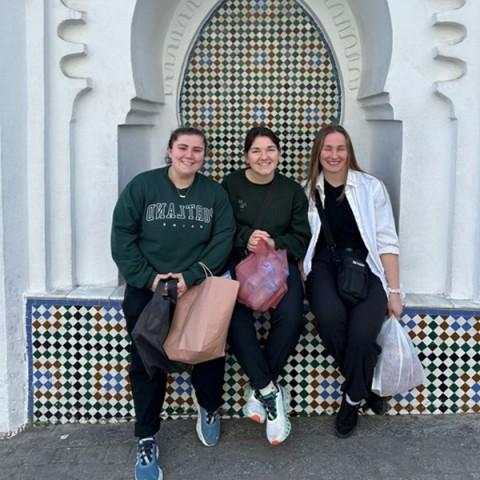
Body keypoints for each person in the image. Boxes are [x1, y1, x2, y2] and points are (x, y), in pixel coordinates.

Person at [111, 126, 235, 480]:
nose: (189, 155)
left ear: (204, 156)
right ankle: (147, 437)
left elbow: (223, 238)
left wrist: (192, 275)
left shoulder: (213, 194)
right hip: (149, 288)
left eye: (197, 150)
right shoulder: (143, 186)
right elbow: (122, 236)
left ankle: (208, 407)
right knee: (147, 363)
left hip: (196, 286)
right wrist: (150, 279)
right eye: (183, 148)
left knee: (208, 352)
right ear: (169, 150)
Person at [303, 124, 402, 438]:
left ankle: (353, 396)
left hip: (365, 267)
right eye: (328, 149)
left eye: (340, 149)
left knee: (362, 333)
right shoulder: (306, 190)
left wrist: (395, 290)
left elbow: (387, 241)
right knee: (331, 322)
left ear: (349, 152)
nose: (334, 156)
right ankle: (364, 387)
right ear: (318, 152)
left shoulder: (371, 187)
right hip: (321, 268)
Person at [222, 126, 311, 445]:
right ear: (247, 155)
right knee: (233, 316)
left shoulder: (291, 191)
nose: (264, 157)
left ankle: (261, 390)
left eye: (270, 149)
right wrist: (246, 238)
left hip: (278, 268)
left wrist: (275, 242)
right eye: (257, 151)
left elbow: (302, 237)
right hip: (239, 264)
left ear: (279, 153)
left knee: (292, 316)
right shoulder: (231, 184)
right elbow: (221, 227)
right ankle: (272, 392)